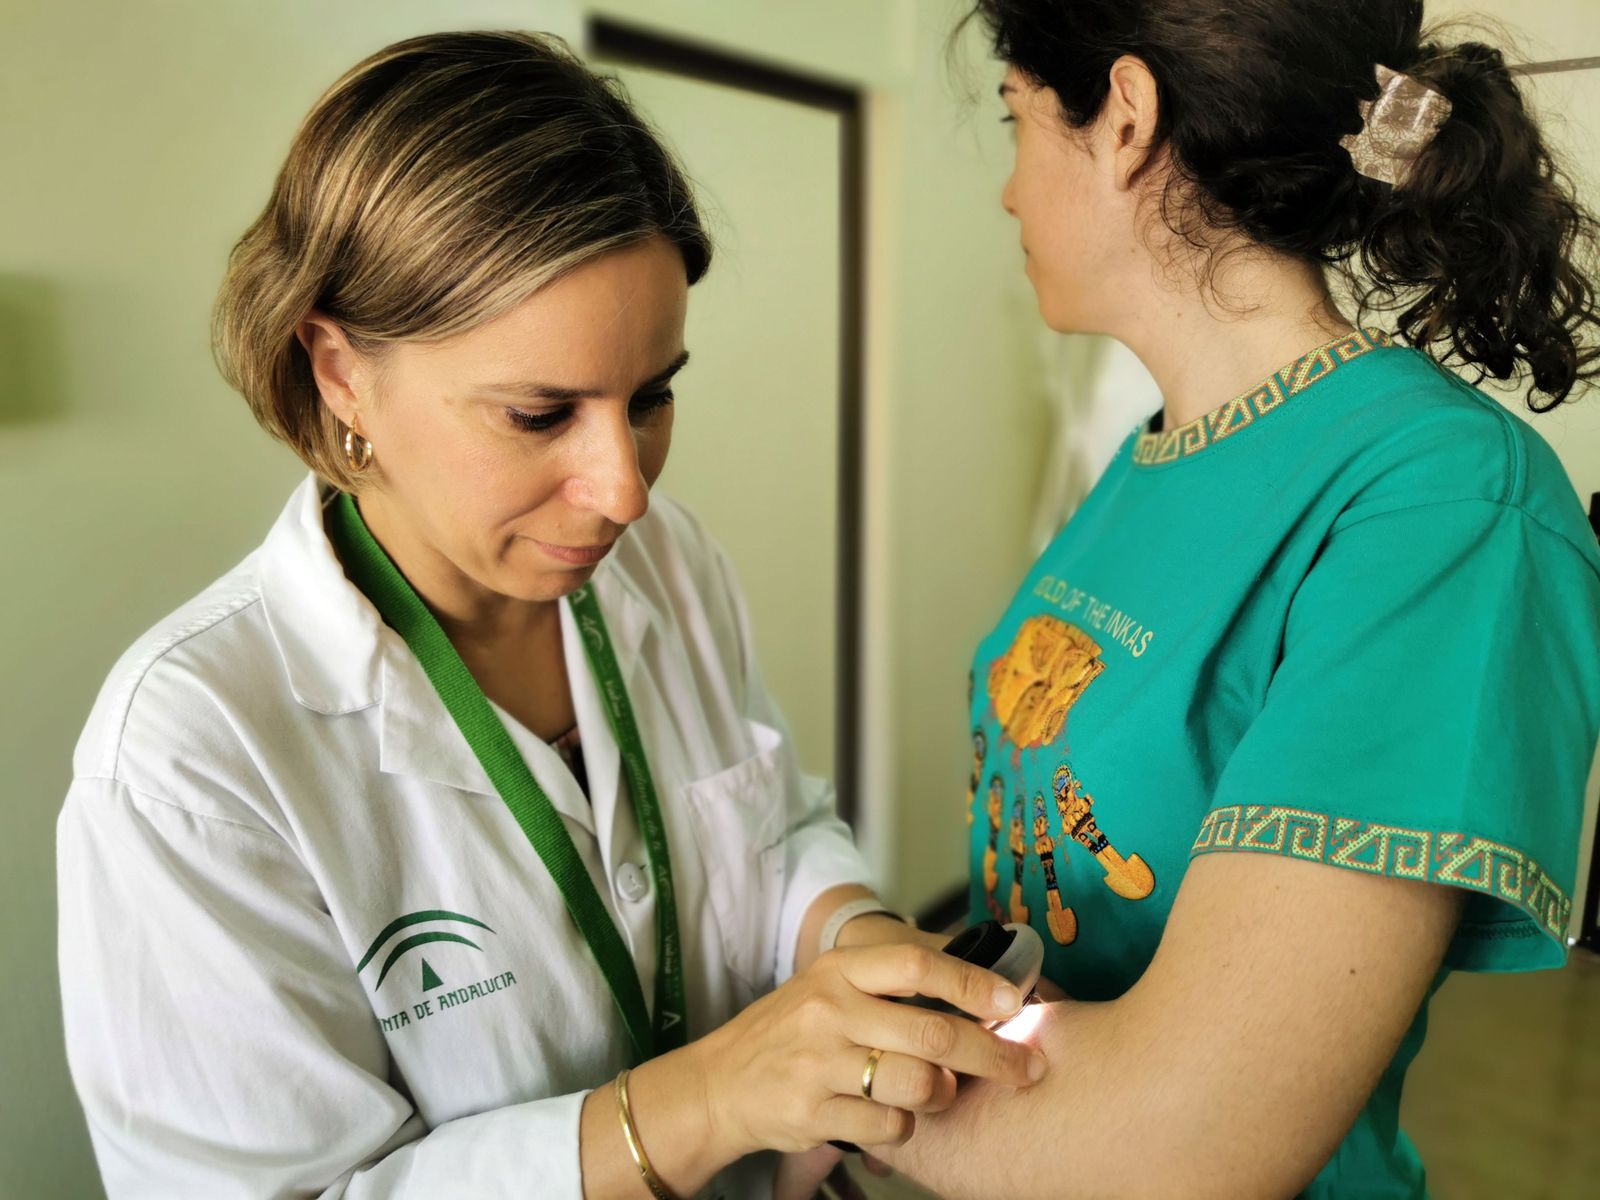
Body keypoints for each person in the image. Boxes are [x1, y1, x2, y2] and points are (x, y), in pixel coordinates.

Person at [55, 31, 1045, 1200]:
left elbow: (768, 830)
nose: (624, 489)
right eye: (538, 414)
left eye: (652, 396)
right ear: (338, 371)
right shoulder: (191, 756)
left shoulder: (661, 564)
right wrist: (710, 1097)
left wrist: (855, 942)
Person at [833, 2, 1600, 1197]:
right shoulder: (1158, 452)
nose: (1006, 191)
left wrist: (784, 1087)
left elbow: (1176, 1152)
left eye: (1017, 120)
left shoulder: (1442, 506)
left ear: (1126, 119)